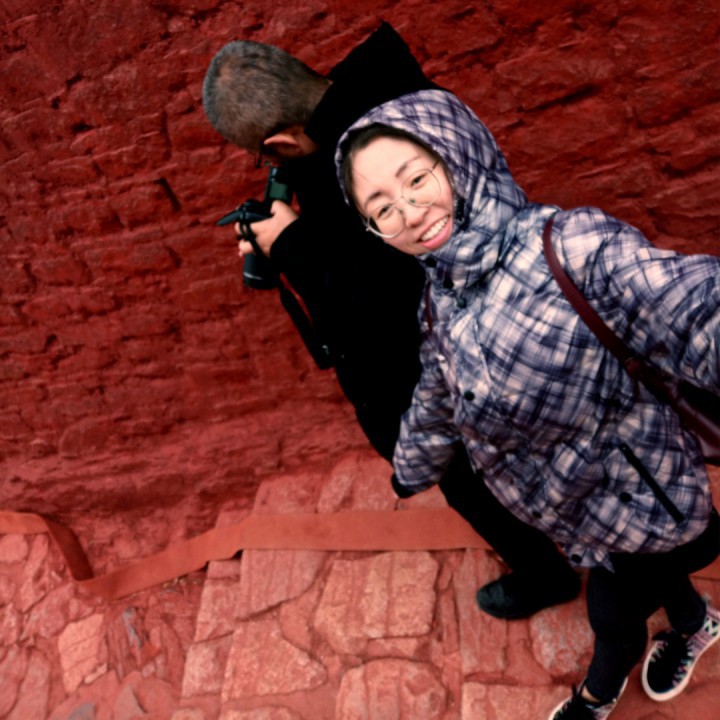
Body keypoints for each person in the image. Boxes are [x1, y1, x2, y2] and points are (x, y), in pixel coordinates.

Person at [336, 90, 720, 719]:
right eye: (381, 208)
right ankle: (695, 623)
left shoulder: (571, 247)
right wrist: (412, 464)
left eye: (416, 179)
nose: (408, 212)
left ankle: (594, 700)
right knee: (649, 575)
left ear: (459, 156)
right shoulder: (439, 297)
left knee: (613, 621)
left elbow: (692, 307)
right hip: (579, 512)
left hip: (644, 497)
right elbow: (437, 391)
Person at [202, 24, 581, 620]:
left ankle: (545, 573)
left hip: (451, 372)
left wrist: (292, 247)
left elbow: (385, 309)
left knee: (466, 478)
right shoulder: (392, 93)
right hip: (521, 317)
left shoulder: (366, 178)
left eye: (265, 156)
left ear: (280, 141)